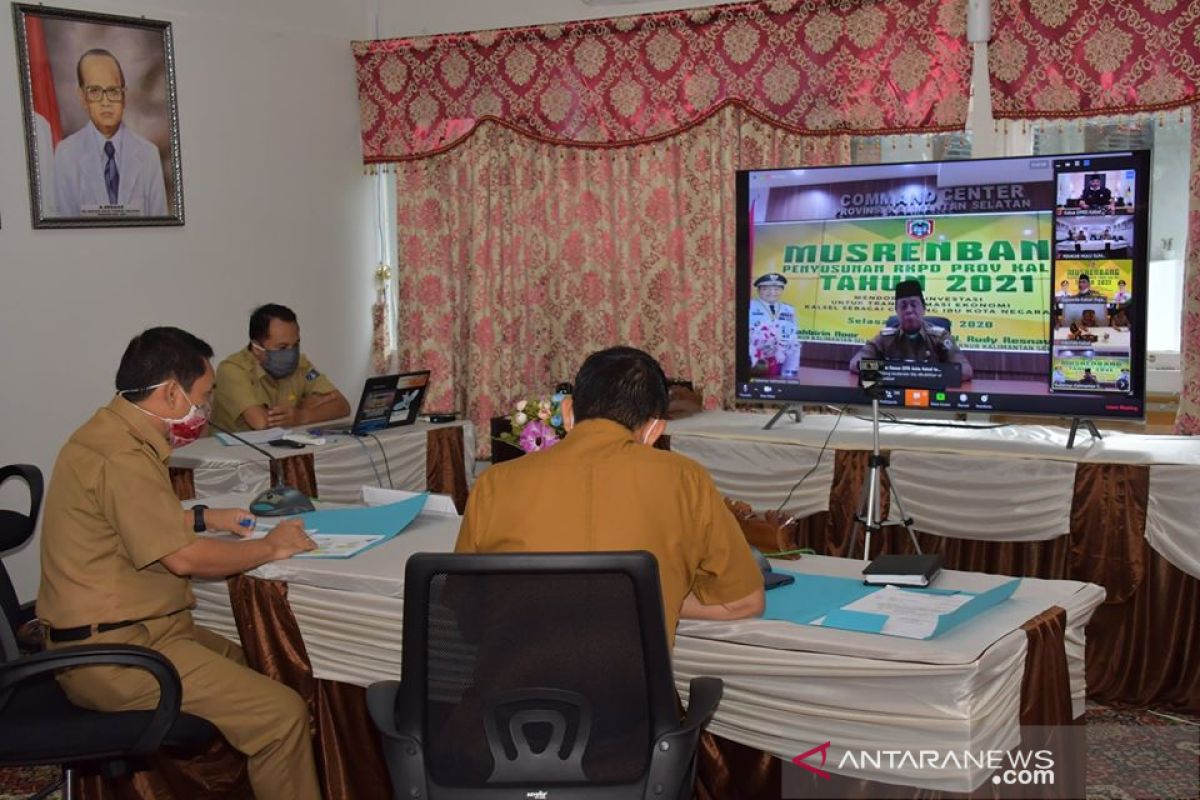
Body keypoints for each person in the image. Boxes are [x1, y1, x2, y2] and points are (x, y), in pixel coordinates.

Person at [36, 327, 321, 799]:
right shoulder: (121, 454)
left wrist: (208, 516)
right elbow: (184, 560)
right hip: (117, 654)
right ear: (171, 392)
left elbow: (130, 522)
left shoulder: (110, 432)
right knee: (281, 714)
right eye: (203, 396)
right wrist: (271, 547)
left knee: (251, 660)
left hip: (138, 633)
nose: (206, 410)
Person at [457, 345, 765, 642]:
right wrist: (656, 599)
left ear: (567, 412)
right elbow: (744, 604)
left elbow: (465, 606)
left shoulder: (494, 483)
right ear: (654, 430)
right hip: (630, 695)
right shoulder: (686, 479)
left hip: (508, 689)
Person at [53, 49, 167, 218]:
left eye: (113, 91)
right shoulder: (66, 153)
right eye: (95, 91)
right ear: (83, 97)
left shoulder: (148, 154)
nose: (106, 102)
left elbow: (160, 226)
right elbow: (62, 226)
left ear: (124, 96)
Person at [212, 303, 351, 431]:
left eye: (295, 345)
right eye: (282, 347)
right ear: (257, 349)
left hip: (284, 449)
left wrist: (302, 415)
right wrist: (306, 407)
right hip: (235, 455)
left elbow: (342, 405)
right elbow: (261, 423)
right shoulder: (232, 370)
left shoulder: (301, 367)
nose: (291, 353)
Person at [849, 279, 974, 381]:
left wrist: (926, 374)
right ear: (896, 311)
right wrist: (889, 371)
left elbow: (965, 370)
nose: (909, 310)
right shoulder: (885, 337)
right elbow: (856, 363)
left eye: (914, 305)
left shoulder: (940, 337)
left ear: (923, 309)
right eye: (903, 306)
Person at [748, 272, 800, 377]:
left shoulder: (789, 310)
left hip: (779, 361)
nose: (772, 292)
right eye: (766, 289)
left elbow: (793, 337)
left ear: (782, 290)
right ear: (758, 290)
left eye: (776, 289)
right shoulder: (749, 306)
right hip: (755, 361)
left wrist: (790, 372)